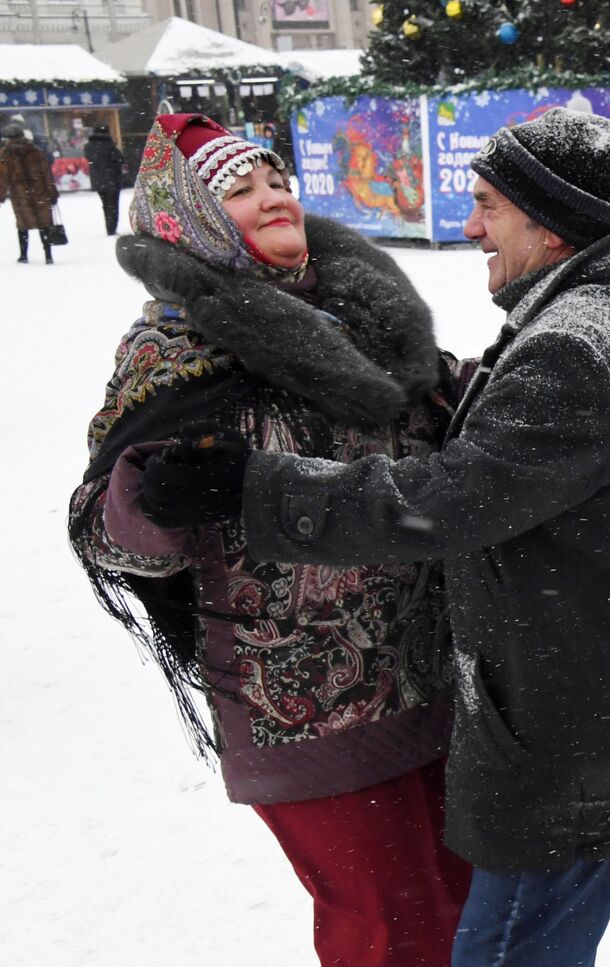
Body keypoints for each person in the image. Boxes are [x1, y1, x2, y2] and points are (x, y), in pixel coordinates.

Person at [123, 107, 610, 967]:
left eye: (487, 205)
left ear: (549, 224)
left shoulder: (553, 345)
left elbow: (442, 499)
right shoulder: (178, 350)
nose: (469, 226)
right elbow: (124, 517)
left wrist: (253, 485)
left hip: (555, 714)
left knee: (494, 939)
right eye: (240, 188)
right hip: (448, 702)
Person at [67, 114, 473, 966]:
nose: (273, 196)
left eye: (277, 179)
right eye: (240, 189)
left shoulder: (363, 318)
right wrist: (159, 500)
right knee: (391, 934)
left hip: (433, 670)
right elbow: (107, 533)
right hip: (308, 708)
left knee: (466, 908)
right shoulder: (173, 347)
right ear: (194, 222)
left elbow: (461, 411)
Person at [0, 122, 59, 264]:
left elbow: (3, 177)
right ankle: (48, 255)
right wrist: (52, 192)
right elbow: (46, 173)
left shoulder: (5, 154)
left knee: (23, 225)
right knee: (44, 224)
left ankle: (24, 255)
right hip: (40, 192)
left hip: (20, 195)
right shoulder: (35, 150)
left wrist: (1, 195)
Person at [83, 123, 125, 236]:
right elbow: (119, 158)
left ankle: (109, 226)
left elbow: (89, 159)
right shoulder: (109, 145)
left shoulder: (88, 146)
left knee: (105, 205)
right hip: (112, 179)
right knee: (113, 205)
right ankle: (111, 228)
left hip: (97, 180)